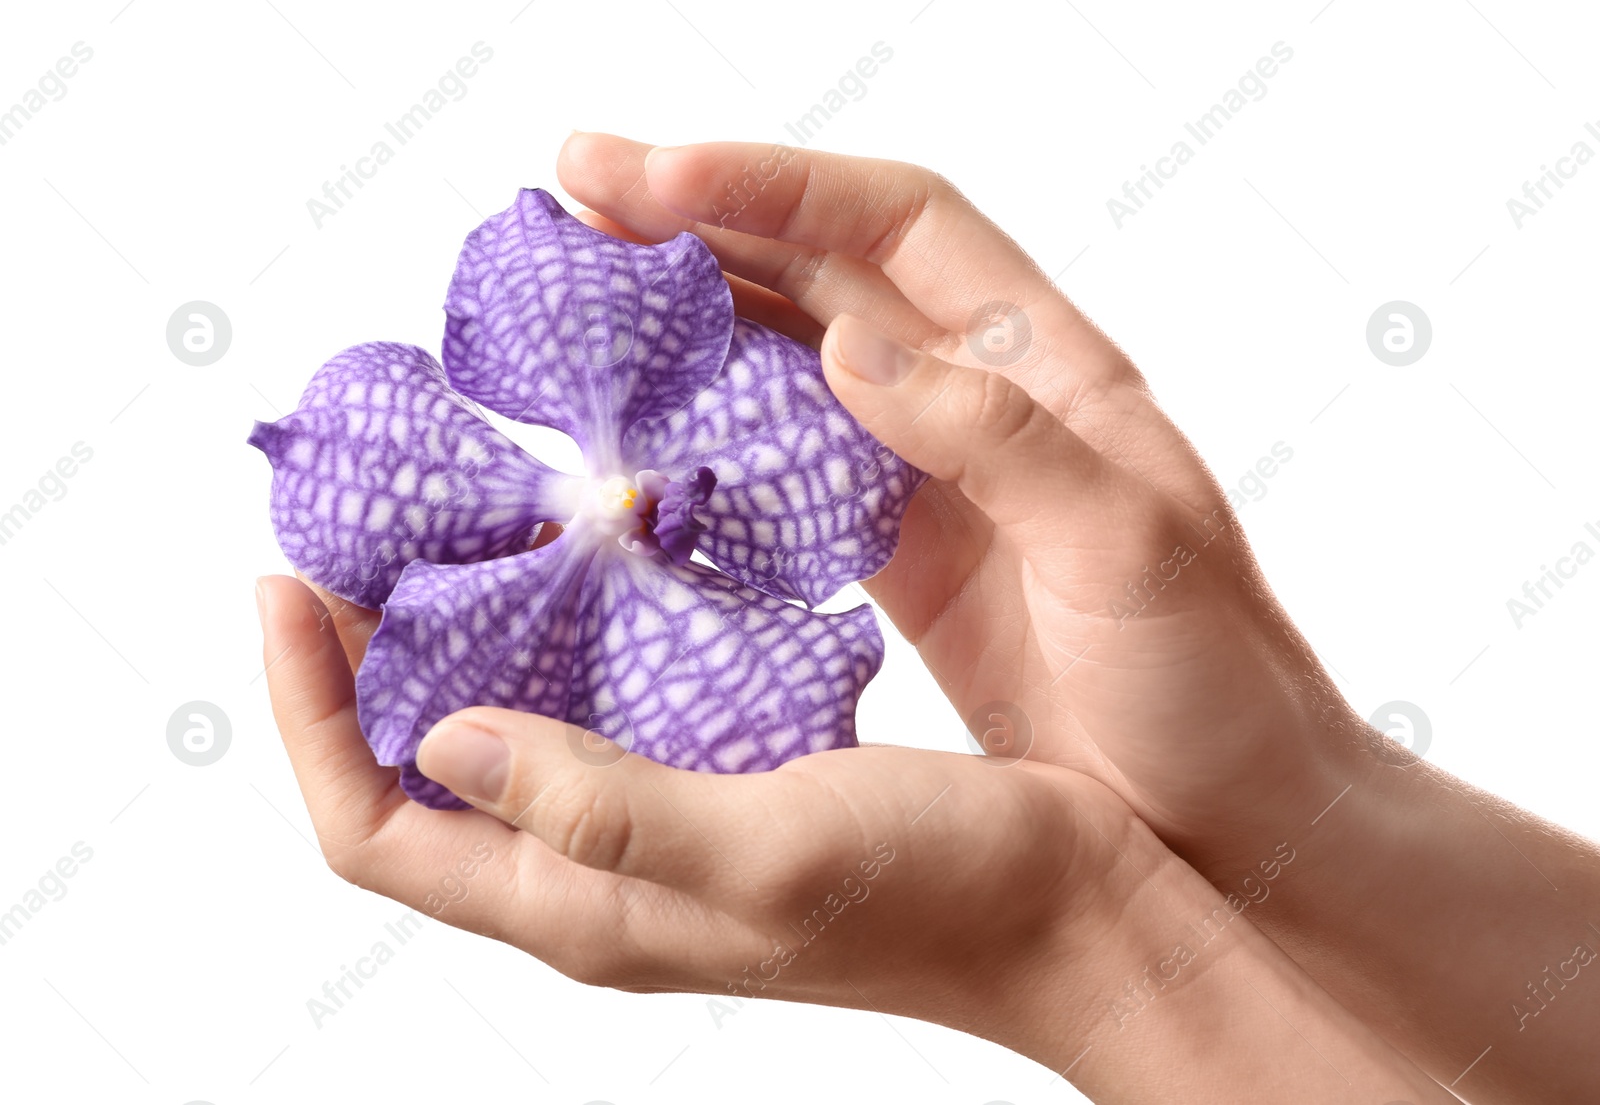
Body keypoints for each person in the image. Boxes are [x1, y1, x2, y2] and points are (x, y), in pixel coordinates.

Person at [257, 134, 1599, 1103]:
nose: (624, 501)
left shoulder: (768, 442)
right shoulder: (468, 617)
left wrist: (1068, 932)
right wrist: (1297, 797)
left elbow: (830, 459)